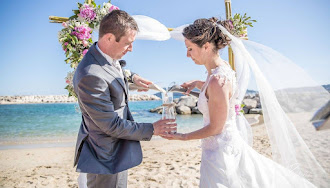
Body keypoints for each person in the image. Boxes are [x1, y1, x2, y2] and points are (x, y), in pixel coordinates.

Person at [163, 17, 327, 187]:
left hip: (221, 154)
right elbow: (218, 95)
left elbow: (216, 127)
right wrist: (198, 84)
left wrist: (182, 137)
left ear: (206, 46)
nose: (187, 54)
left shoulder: (217, 81)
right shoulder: (221, 70)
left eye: (190, 49)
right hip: (222, 147)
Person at [73, 10, 176, 188]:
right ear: (109, 38)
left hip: (117, 148)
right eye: (128, 44)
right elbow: (111, 125)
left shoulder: (105, 56)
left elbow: (114, 68)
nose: (131, 49)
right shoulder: (90, 75)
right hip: (104, 155)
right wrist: (152, 129)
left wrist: (132, 78)